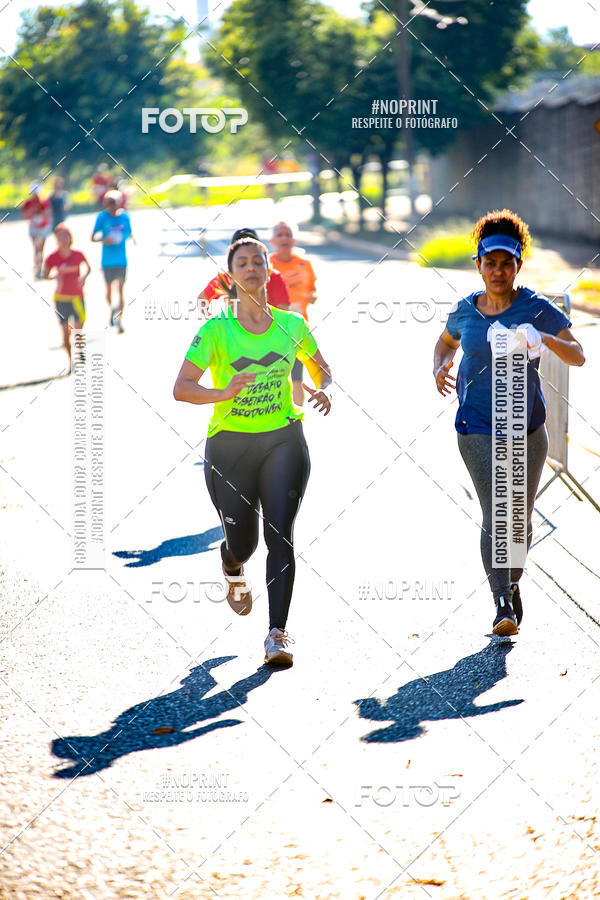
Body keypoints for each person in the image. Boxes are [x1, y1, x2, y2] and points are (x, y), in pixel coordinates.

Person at [174, 236, 332, 667]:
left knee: (280, 534)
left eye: (257, 261)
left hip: (283, 437)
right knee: (242, 543)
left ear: (268, 270)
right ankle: (231, 565)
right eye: (241, 262)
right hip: (229, 447)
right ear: (230, 275)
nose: (251, 267)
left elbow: (323, 368)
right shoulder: (215, 330)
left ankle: (277, 634)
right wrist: (223, 391)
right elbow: (181, 389)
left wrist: (324, 389)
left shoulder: (292, 325)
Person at [433, 209, 585, 637]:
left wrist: (547, 339)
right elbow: (444, 343)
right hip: (477, 426)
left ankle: (512, 584)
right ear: (478, 265)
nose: (497, 270)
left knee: (519, 517)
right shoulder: (465, 310)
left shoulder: (536, 307)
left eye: (506, 262)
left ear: (518, 265)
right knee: (497, 511)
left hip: (528, 428)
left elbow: (579, 354)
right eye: (490, 262)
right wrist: (440, 366)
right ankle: (501, 600)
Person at [269, 221, 317, 406]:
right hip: (272, 328)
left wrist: (313, 296)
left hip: (297, 328)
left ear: (293, 239)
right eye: (279, 235)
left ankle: (297, 418)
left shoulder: (304, 264)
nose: (284, 238)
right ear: (272, 240)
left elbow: (313, 288)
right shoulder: (267, 264)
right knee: (276, 378)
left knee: (297, 377)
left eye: (287, 235)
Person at [199, 227, 290, 311]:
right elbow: (202, 300)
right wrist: (218, 320)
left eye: (250, 243)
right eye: (242, 263)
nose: (250, 268)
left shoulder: (274, 277)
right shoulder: (225, 278)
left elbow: (284, 310)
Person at [43, 225, 90, 373]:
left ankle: (80, 355)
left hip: (77, 297)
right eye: (60, 237)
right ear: (56, 239)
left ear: (70, 238)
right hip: (61, 298)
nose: (63, 239)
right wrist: (54, 276)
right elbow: (45, 274)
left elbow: (88, 267)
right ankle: (70, 363)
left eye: (65, 236)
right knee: (65, 333)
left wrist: (83, 277)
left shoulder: (78, 254)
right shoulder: (52, 257)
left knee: (77, 329)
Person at [91, 189, 133, 332]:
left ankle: (119, 319)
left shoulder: (125, 217)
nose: (111, 207)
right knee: (109, 291)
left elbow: (128, 232)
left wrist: (126, 237)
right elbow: (93, 237)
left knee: (120, 289)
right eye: (109, 204)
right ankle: (111, 310)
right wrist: (104, 239)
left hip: (121, 260)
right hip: (107, 261)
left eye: (113, 203)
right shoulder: (102, 217)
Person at [22, 183, 52, 279]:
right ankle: (37, 268)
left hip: (43, 227)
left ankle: (39, 268)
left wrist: (38, 212)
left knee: (41, 249)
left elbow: (47, 213)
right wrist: (32, 212)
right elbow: (25, 215)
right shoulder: (28, 202)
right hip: (34, 227)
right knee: (36, 248)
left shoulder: (44, 201)